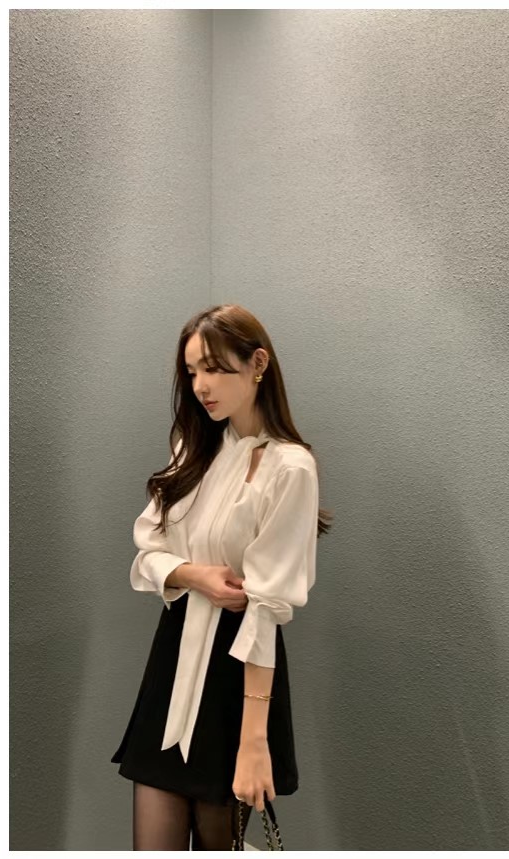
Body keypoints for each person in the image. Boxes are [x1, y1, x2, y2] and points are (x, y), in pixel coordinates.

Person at [111, 303, 333, 850]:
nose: (201, 386)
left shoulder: (291, 468)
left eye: (213, 368)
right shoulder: (194, 449)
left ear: (258, 364)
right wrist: (196, 576)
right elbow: (148, 550)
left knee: (219, 843)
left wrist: (254, 742)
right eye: (192, 372)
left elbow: (268, 607)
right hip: (172, 661)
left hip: (237, 674)